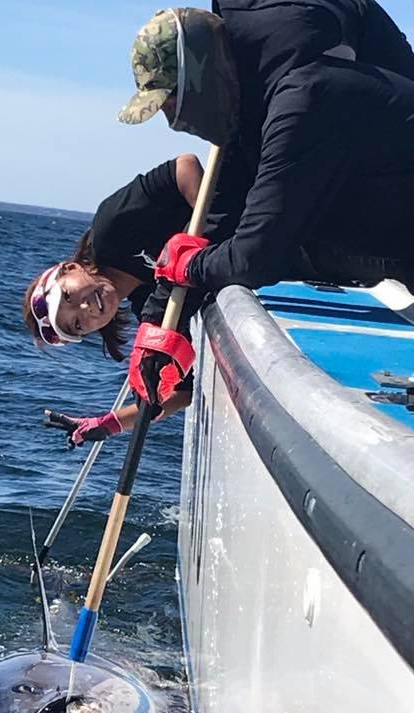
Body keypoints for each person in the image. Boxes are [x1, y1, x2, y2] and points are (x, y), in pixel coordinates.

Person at [118, 4, 414, 297]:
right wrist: (159, 312)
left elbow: (255, 258)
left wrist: (189, 267)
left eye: (173, 106)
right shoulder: (254, 104)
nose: (175, 122)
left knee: (290, 239)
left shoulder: (303, 102)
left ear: (201, 78)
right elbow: (221, 214)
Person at [22, 155, 204, 445]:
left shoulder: (111, 229)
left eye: (68, 295)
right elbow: (181, 394)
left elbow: (184, 167)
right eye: (79, 324)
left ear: (70, 268)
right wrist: (108, 424)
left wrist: (211, 237)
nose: (86, 308)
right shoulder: (154, 306)